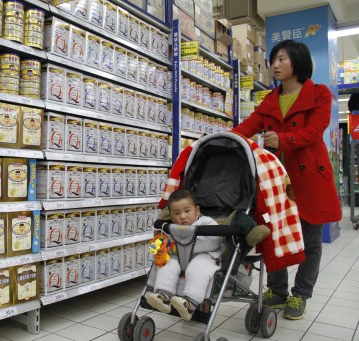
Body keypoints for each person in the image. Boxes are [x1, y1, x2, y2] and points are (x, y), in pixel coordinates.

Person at [232, 39, 342, 320]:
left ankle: (300, 295)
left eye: (282, 59)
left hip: (311, 178)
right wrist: (225, 139)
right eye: (273, 60)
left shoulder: (319, 93)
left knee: (311, 241)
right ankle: (277, 291)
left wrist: (282, 138)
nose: (275, 65)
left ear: (298, 61)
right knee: (273, 235)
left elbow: (315, 132)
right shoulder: (270, 99)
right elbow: (249, 126)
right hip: (277, 180)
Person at [145, 189, 223, 321]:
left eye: (187, 211)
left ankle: (190, 304)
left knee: (198, 268)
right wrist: (163, 247)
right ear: (171, 215)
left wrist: (184, 246)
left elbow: (215, 241)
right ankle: (163, 296)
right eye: (176, 213)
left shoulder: (206, 223)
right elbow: (169, 246)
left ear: (197, 211)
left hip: (204, 256)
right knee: (167, 263)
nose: (182, 217)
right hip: (180, 258)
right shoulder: (173, 228)